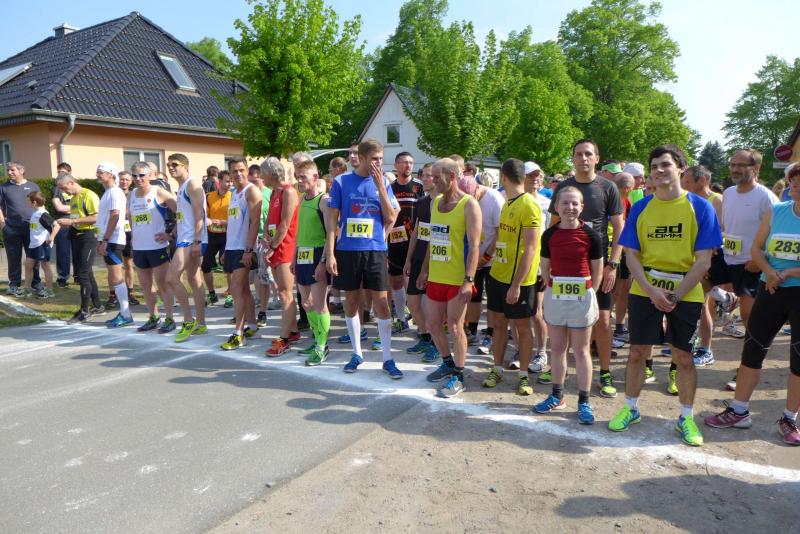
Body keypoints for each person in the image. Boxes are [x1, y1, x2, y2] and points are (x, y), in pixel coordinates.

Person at [608, 145, 721, 447]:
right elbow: (631, 255)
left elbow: (703, 261)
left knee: (683, 357)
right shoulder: (642, 207)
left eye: (665, 165)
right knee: (637, 353)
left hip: (686, 291)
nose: (659, 170)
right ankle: (631, 408)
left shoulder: (701, 207)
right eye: (654, 165)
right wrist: (650, 290)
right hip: (645, 289)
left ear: (681, 169)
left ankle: (686, 417)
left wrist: (675, 295)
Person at [704, 165, 800, 445]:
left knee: (798, 360)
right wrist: (768, 271)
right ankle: (739, 411)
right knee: (753, 349)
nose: (795, 185)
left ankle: (789, 418)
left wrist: (789, 272)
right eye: (793, 180)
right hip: (770, 289)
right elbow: (757, 248)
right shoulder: (777, 211)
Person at [550, 140, 624, 398]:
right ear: (573, 158)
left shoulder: (608, 187)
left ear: (596, 158)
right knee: (562, 322)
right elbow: (553, 227)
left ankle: (605, 372)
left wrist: (613, 264)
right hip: (565, 269)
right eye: (579, 154)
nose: (583, 158)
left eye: (588, 154)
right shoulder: (564, 187)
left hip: (598, 266)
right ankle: (559, 375)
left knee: (602, 321)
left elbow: (619, 228)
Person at [325, 138, 402, 377]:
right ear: (363, 158)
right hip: (348, 250)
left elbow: (391, 218)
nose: (379, 163)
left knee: (381, 303)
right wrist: (330, 253)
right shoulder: (341, 182)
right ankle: (357, 353)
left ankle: (387, 358)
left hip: (375, 249)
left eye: (381, 159)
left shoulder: (384, 182)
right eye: (375, 159)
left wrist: (381, 188)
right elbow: (331, 222)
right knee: (351, 301)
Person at [533, 186, 603, 424]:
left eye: (575, 203)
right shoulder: (549, 235)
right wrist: (553, 286)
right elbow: (545, 266)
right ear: (556, 206)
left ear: (582, 207)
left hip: (582, 297)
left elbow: (597, 270)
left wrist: (589, 293)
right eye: (565, 203)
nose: (570, 207)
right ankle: (557, 396)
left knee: (581, 350)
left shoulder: (591, 236)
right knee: (557, 348)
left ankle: (584, 401)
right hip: (556, 295)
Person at [713, 149, 779, 390]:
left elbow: (777, 232)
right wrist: (717, 242)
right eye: (733, 164)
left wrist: (760, 258)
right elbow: (727, 225)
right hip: (727, 259)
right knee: (697, 281)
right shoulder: (729, 193)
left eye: (741, 165)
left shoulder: (766, 197)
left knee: (750, 317)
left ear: (756, 168)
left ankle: (746, 367)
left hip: (751, 265)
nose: (735, 169)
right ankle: (725, 299)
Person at [417, 158, 481, 397]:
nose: (432, 181)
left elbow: (474, 247)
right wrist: (424, 270)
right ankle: (447, 363)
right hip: (436, 276)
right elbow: (433, 239)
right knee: (432, 324)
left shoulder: (469, 204)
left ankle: (460, 375)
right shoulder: (435, 203)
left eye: (437, 177)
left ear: (452, 176)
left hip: (457, 278)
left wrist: (468, 280)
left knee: (455, 327)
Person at [481, 158, 542, 396]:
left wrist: (516, 285)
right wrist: (487, 258)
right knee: (498, 324)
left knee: (523, 327)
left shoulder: (529, 205)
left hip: (520, 281)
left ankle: (524, 375)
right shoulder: (507, 202)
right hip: (498, 275)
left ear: (503, 177)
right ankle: (496, 369)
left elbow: (531, 248)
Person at [128, 161, 176, 333]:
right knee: (145, 285)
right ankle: (153, 317)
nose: (138, 178)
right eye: (134, 175)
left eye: (141, 175)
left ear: (149, 175)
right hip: (139, 247)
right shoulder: (132, 194)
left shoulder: (159, 191)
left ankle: (170, 319)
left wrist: (170, 234)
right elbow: (131, 218)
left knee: (163, 284)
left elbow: (181, 211)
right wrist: (134, 238)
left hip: (157, 246)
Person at [165, 153, 208, 342]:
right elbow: (184, 216)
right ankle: (201, 323)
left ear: (186, 167)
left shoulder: (192, 184)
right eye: (169, 165)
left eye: (175, 164)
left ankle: (188, 320)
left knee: (171, 277)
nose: (171, 167)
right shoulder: (182, 187)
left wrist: (197, 241)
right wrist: (172, 232)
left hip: (191, 239)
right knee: (194, 278)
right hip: (185, 237)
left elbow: (199, 215)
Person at [220, 157, 263, 350]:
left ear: (247, 170)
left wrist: (249, 249)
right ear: (229, 173)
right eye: (234, 171)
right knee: (243, 289)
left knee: (236, 289)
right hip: (232, 247)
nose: (238, 174)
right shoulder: (233, 193)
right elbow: (234, 223)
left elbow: (255, 222)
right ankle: (252, 326)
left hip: (243, 248)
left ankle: (238, 334)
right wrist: (226, 248)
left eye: (241, 170)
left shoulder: (251, 191)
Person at [293, 160, 332, 365]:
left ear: (315, 177)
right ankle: (317, 339)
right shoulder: (301, 199)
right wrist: (294, 257)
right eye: (297, 177)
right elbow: (300, 232)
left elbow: (331, 234)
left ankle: (322, 346)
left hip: (317, 255)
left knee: (319, 304)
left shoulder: (323, 201)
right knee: (306, 303)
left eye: (303, 177)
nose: (299, 181)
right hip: (302, 255)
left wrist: (323, 261)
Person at [463, 167, 505, 357]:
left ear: (478, 188)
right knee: (473, 295)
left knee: (493, 300)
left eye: (473, 196)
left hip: (493, 258)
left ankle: (490, 333)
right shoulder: (465, 199)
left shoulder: (494, 199)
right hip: (474, 257)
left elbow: (500, 232)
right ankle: (472, 330)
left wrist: (486, 257)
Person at [262, 157, 301, 356]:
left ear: (271, 173)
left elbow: (285, 224)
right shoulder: (274, 192)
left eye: (263, 173)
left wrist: (272, 246)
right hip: (276, 246)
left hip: (286, 247)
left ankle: (284, 340)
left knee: (286, 293)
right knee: (281, 291)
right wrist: (265, 237)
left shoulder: (289, 191)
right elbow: (270, 221)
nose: (261, 177)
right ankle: (293, 331)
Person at [403, 162, 438, 363]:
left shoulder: (444, 204)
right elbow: (416, 232)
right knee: (412, 302)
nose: (423, 178)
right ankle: (425, 338)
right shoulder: (422, 202)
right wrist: (408, 259)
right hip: (418, 258)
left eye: (428, 175)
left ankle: (436, 344)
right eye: (422, 175)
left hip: (436, 261)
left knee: (433, 308)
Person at [56, 173, 102, 322]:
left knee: (82, 274)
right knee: (87, 273)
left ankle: (84, 310)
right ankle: (98, 306)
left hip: (88, 236)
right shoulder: (74, 198)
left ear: (71, 183)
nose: (64, 192)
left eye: (64, 188)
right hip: (76, 236)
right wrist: (69, 222)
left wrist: (72, 222)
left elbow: (96, 217)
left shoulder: (89, 195)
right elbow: (77, 218)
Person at [387, 152, 424, 333]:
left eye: (411, 162)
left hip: (415, 240)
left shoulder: (419, 186)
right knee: (395, 281)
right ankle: (401, 319)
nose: (408, 165)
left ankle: (421, 323)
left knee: (415, 281)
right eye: (404, 162)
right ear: (396, 165)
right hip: (394, 239)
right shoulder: (390, 187)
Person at [94, 163, 134, 328]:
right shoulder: (108, 192)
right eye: (97, 171)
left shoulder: (115, 192)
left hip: (113, 240)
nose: (97, 174)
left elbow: (115, 216)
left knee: (117, 277)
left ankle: (125, 314)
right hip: (108, 239)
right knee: (114, 277)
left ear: (111, 174)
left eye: (101, 172)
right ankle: (124, 313)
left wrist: (105, 239)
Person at [522, 162, 552, 372]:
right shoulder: (511, 200)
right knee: (517, 315)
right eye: (530, 175)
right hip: (517, 264)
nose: (535, 179)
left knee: (536, 312)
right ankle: (521, 350)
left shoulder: (547, 204)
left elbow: (550, 236)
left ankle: (541, 352)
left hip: (539, 265)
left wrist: (547, 266)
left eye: (537, 175)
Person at [0, 161, 41, 295]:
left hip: (32, 228)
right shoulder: (4, 187)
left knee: (33, 256)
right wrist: (3, 225)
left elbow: (40, 205)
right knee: (13, 258)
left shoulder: (33, 186)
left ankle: (36, 283)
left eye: (12, 170)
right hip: (11, 228)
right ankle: (14, 284)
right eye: (8, 170)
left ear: (21, 171)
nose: (9, 172)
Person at [202, 170, 232, 307]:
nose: (230, 184)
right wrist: (207, 220)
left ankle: (230, 294)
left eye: (231, 181)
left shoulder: (233, 196)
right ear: (219, 182)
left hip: (227, 235)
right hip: (212, 235)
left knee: (228, 266)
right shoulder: (209, 196)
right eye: (227, 181)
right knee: (205, 266)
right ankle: (212, 294)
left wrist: (223, 222)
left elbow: (237, 219)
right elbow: (204, 215)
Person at [250, 164, 274, 326]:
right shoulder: (246, 193)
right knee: (249, 278)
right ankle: (246, 312)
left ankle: (263, 311)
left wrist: (269, 238)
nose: (252, 183)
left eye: (255, 180)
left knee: (263, 276)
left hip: (263, 239)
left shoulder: (269, 193)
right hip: (248, 239)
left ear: (261, 177)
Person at [24, 191, 59, 298]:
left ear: (34, 202)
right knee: (28, 265)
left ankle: (49, 290)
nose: (26, 203)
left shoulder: (43, 214)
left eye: (28, 201)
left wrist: (51, 237)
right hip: (33, 244)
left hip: (42, 244)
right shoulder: (35, 213)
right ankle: (27, 289)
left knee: (45, 265)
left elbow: (57, 226)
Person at [327, 157, 349, 314]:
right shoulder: (336, 183)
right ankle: (337, 300)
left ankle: (338, 301)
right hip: (337, 231)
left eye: (330, 170)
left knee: (338, 268)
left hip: (340, 232)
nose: (330, 173)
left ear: (338, 169)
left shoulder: (342, 183)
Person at [115, 170, 139, 308]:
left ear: (131, 182)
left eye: (127, 179)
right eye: (122, 179)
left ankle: (130, 292)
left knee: (129, 263)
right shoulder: (113, 193)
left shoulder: (134, 194)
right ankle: (115, 293)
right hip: (116, 231)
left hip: (129, 230)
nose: (124, 182)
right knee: (115, 265)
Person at [52, 162, 73, 287]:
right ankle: (62, 277)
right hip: (62, 224)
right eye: (59, 172)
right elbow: (59, 207)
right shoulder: (57, 189)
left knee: (78, 251)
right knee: (63, 252)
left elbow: (84, 207)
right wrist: (75, 208)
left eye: (63, 172)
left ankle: (79, 276)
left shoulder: (76, 187)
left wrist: (71, 209)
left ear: (69, 173)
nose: (60, 174)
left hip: (77, 223)